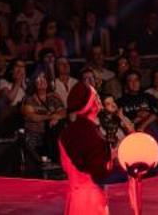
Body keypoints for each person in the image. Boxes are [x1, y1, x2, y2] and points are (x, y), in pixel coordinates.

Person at [57, 81, 114, 215]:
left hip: (75, 195)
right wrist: (113, 160)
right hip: (90, 200)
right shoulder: (89, 133)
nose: (99, 100)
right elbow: (99, 171)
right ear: (91, 104)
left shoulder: (67, 132)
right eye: (96, 97)